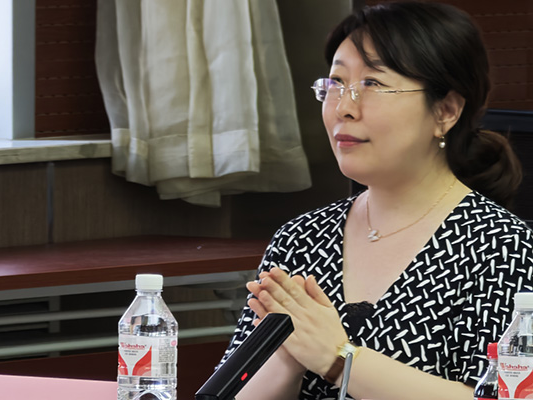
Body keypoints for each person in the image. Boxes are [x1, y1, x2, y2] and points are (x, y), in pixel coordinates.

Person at [219, 2, 533, 400]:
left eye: (373, 84)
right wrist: (288, 354)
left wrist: (338, 358)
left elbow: (504, 395)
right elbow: (229, 390)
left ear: (446, 110)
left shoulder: (503, 248)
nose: (344, 108)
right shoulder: (300, 239)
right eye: (336, 83)